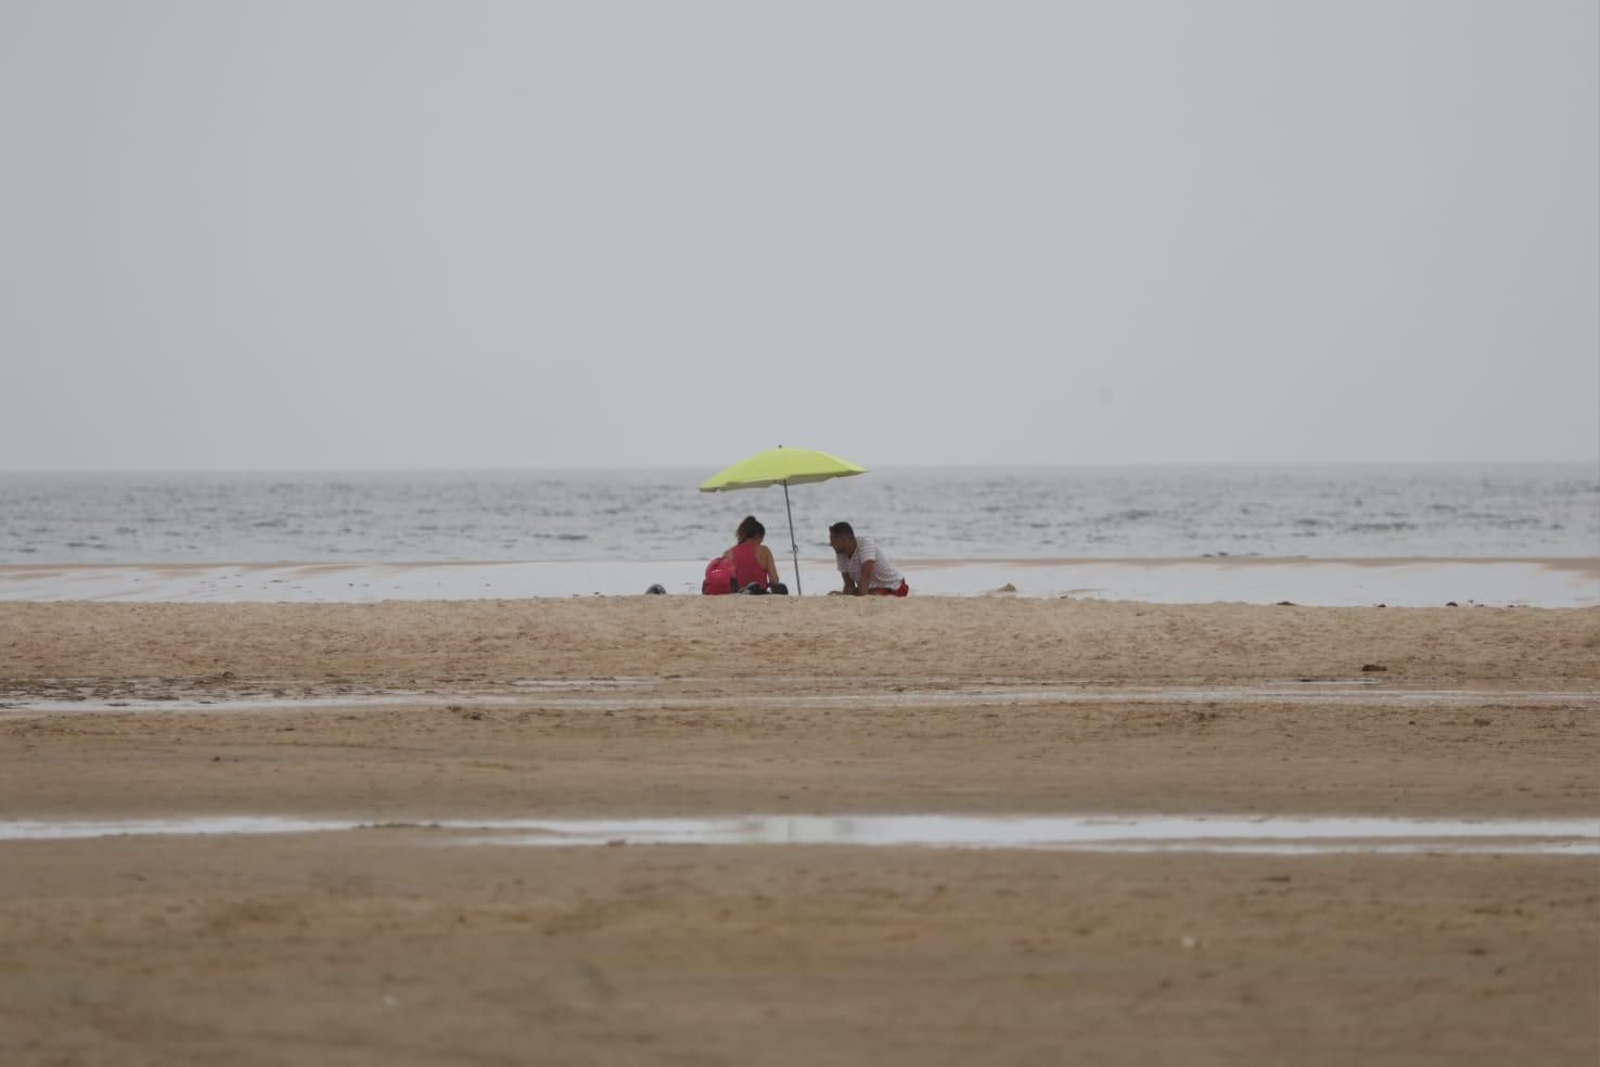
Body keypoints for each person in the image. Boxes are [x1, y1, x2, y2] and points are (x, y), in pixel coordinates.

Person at [828, 521, 909, 597]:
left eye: (833, 540)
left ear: (844, 540)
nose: (830, 544)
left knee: (871, 594)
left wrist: (854, 596)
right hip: (872, 587)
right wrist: (844, 596)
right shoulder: (841, 553)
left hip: (894, 586)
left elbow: (866, 578)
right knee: (855, 593)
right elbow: (849, 584)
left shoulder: (865, 545)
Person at [723, 516, 788, 594]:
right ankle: (751, 589)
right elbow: (774, 580)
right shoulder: (764, 550)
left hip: (738, 593)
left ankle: (746, 590)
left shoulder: (728, 553)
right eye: (762, 538)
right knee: (782, 588)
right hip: (760, 592)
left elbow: (726, 581)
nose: (762, 541)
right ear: (757, 536)